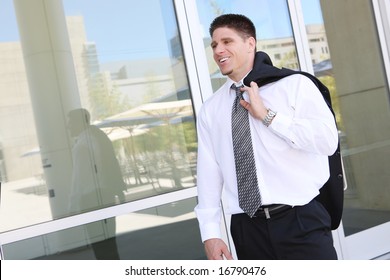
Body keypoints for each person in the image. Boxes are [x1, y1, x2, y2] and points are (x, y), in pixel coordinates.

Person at [194, 14, 339, 260]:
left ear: (250, 44)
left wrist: (269, 116)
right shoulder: (211, 108)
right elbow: (209, 172)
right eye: (214, 45)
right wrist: (210, 232)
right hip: (247, 228)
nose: (219, 50)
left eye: (227, 41)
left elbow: (327, 141)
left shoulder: (295, 85)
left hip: (301, 221)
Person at [67, 108, 126, 259]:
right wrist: (119, 190)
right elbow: (112, 162)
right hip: (106, 195)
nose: (68, 127)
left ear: (79, 122)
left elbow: (79, 178)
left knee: (101, 248)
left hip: (91, 200)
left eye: (70, 122)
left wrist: (72, 207)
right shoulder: (98, 136)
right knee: (110, 244)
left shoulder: (81, 145)